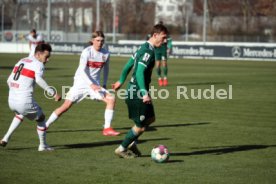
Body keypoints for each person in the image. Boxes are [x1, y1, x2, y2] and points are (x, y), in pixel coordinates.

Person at [45, 31, 120, 136]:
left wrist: (103, 84)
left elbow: (106, 70)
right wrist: (91, 84)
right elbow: (82, 71)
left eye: (102, 41)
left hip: (94, 84)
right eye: (97, 40)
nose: (100, 43)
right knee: (65, 106)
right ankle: (45, 125)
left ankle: (107, 128)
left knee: (111, 99)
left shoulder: (106, 54)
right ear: (92, 41)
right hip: (81, 83)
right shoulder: (86, 52)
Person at [112, 24, 168, 158]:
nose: (165, 41)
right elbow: (138, 72)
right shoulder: (148, 52)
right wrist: (144, 93)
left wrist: (121, 80)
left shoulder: (143, 47)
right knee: (140, 127)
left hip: (135, 91)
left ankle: (131, 142)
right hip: (136, 93)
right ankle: (122, 148)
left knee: (150, 119)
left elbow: (128, 65)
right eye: (164, 37)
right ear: (155, 35)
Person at [0, 43, 61, 151]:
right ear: (38, 54)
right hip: (23, 100)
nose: (47, 60)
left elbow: (9, 80)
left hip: (11, 100)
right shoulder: (39, 64)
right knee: (41, 118)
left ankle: (5, 138)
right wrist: (53, 93)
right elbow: (39, 80)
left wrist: (16, 90)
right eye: (46, 57)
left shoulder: (22, 60)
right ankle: (43, 146)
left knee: (20, 114)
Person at [154, 21, 172, 87]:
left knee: (164, 63)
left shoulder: (166, 33)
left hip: (163, 49)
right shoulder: (154, 33)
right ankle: (159, 78)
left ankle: (165, 78)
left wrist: (169, 47)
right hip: (157, 49)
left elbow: (170, 40)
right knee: (158, 65)